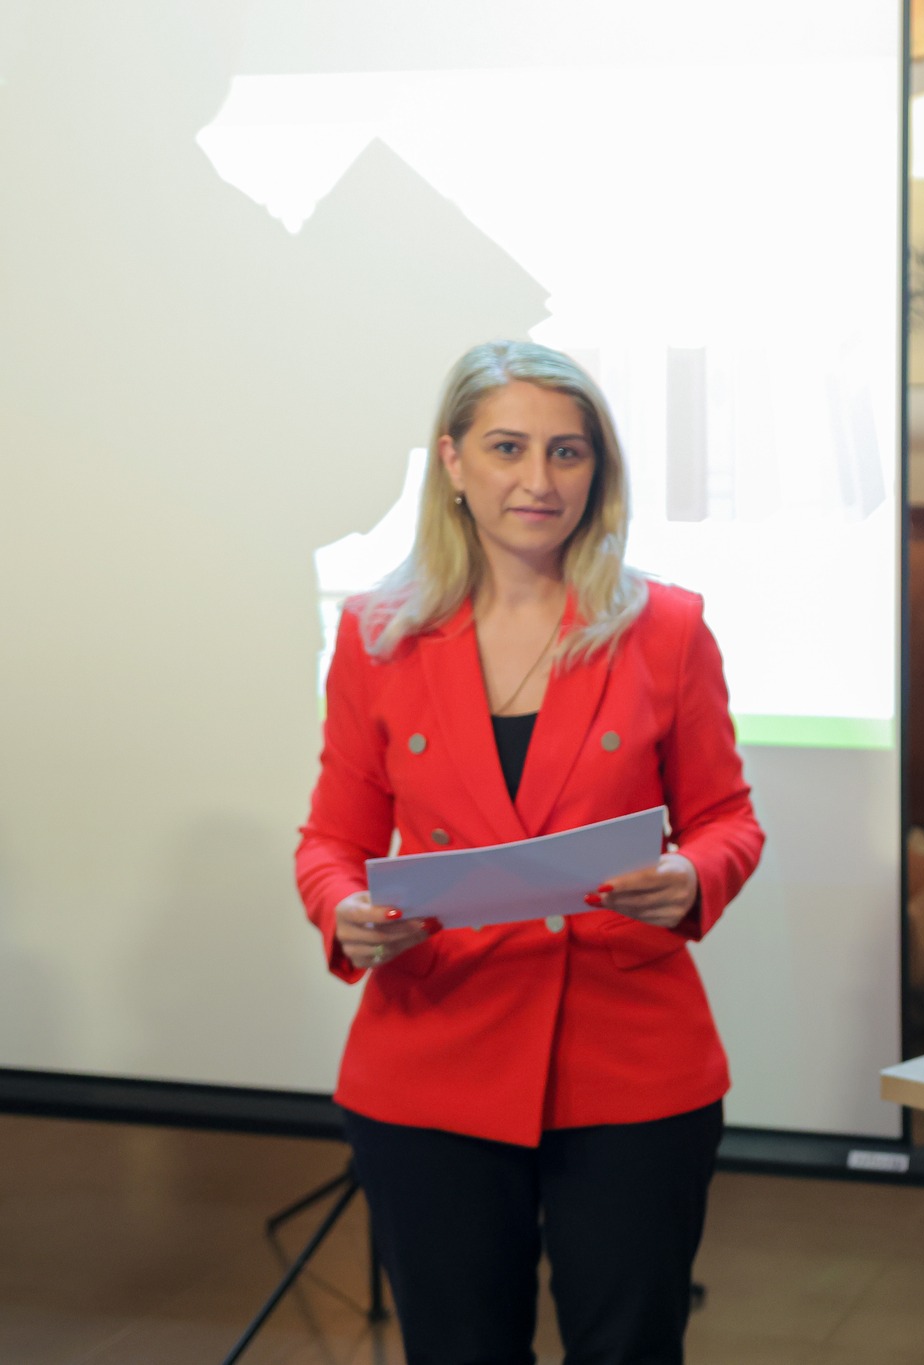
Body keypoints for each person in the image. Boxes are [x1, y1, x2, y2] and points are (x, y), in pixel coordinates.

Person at [296, 340, 764, 1365]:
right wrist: (344, 911)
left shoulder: (666, 628)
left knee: (630, 1346)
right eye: (507, 448)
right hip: (432, 1056)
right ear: (452, 461)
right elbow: (332, 841)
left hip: (629, 1063)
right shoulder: (376, 634)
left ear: (597, 470)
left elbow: (728, 819)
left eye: (567, 452)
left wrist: (692, 875)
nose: (538, 479)